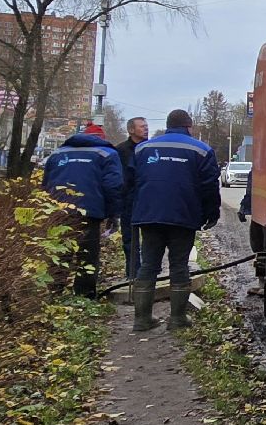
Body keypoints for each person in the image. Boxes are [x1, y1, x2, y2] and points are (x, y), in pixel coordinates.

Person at [130, 108, 220, 331]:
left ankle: (141, 319)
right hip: (183, 216)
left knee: (148, 265)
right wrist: (211, 214)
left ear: (168, 125)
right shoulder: (201, 150)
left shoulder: (143, 148)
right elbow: (209, 186)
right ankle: (177, 319)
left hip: (149, 215)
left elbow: (131, 182)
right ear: (188, 126)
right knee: (179, 265)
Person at [41, 122, 125, 299]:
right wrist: (113, 214)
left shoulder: (57, 154)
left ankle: (53, 295)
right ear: (101, 139)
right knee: (87, 256)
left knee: (60, 254)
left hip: (59, 211)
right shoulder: (108, 154)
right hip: (89, 212)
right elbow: (113, 186)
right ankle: (84, 297)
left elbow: (46, 183)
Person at [113, 116, 150, 276]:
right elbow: (118, 178)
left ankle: (147, 272)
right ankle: (132, 273)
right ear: (131, 130)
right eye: (142, 126)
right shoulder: (121, 150)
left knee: (150, 239)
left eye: (146, 126)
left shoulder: (150, 149)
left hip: (148, 201)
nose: (146, 128)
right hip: (129, 201)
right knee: (130, 240)